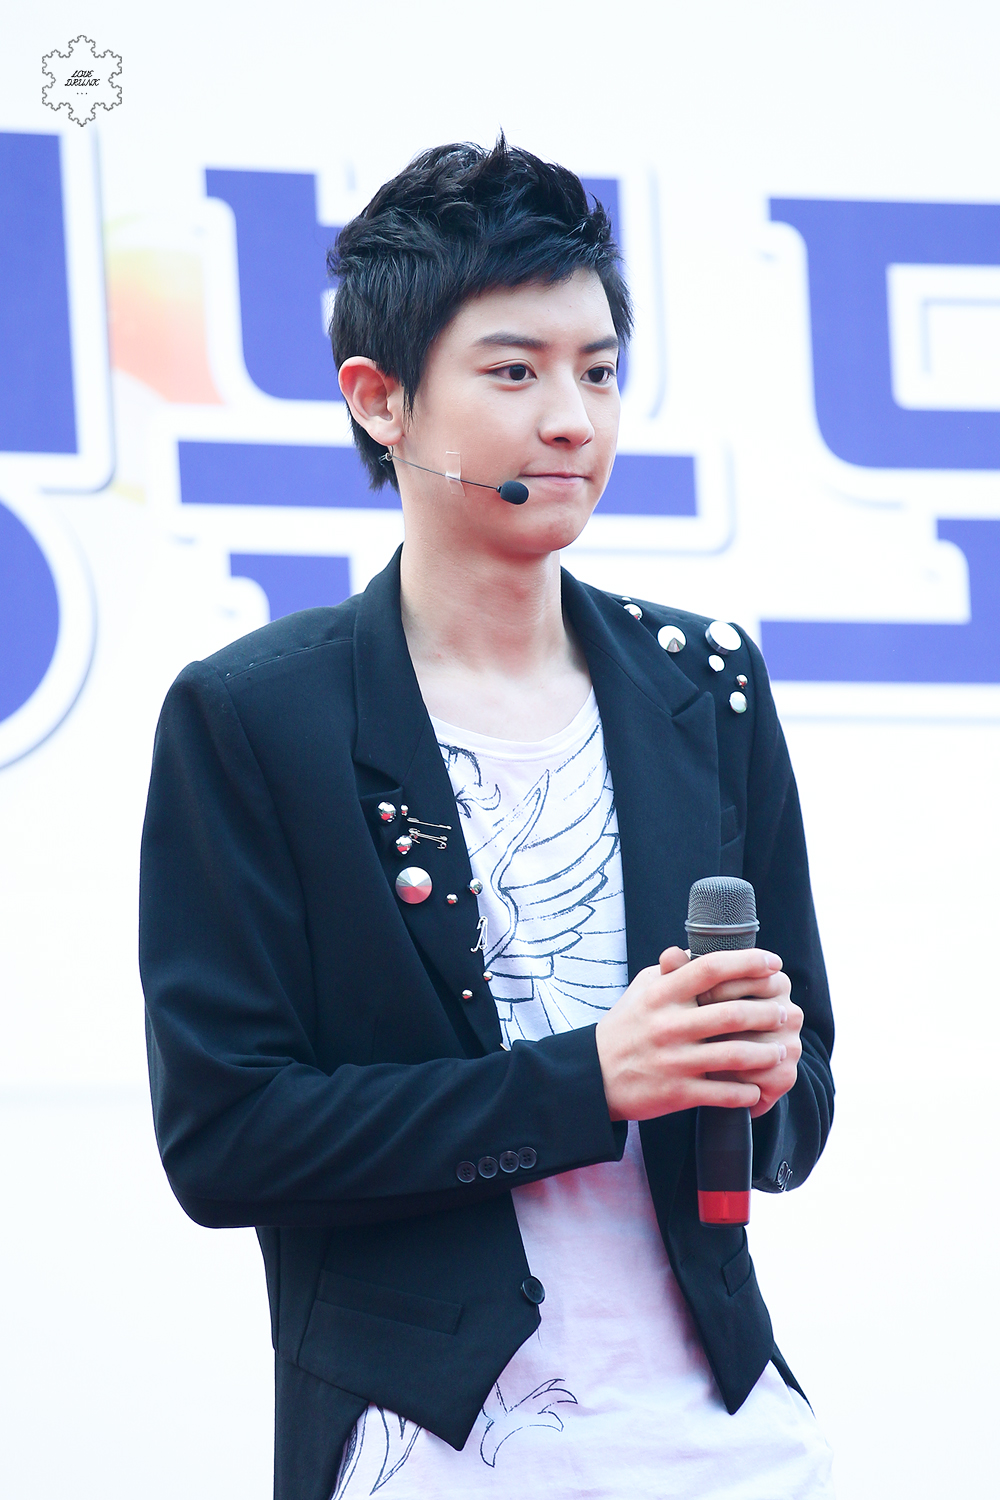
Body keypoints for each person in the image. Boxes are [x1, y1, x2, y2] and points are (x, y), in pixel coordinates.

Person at [140, 139, 835, 1500]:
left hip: (730, 1440)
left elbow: (802, 1112)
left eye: (600, 371)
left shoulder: (707, 685)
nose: (573, 419)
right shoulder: (255, 716)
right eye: (515, 373)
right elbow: (226, 1140)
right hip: (432, 1447)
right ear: (380, 400)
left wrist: (765, 1076)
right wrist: (589, 1080)